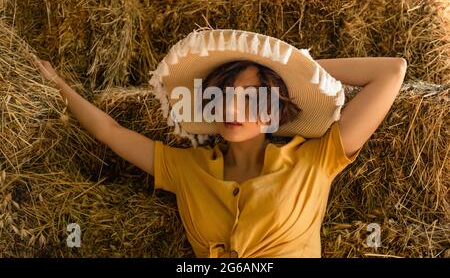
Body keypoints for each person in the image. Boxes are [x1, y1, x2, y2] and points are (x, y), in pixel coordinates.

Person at [33, 28, 407, 257]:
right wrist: (56, 86)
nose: (232, 107)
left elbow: (391, 72)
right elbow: (110, 131)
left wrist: (295, 68)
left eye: (250, 97)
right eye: (223, 95)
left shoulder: (315, 160)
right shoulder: (186, 168)